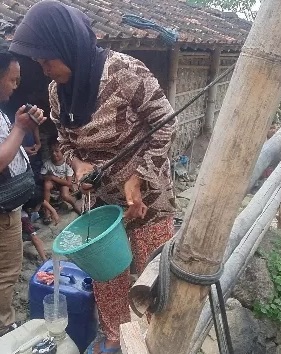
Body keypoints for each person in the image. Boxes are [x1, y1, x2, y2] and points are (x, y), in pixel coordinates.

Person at [10, 2, 177, 352]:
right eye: (39, 62)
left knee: (154, 281)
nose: (43, 69)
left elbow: (166, 127)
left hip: (146, 202)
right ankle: (116, 340)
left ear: (68, 45)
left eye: (47, 59)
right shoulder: (58, 93)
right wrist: (79, 167)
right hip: (100, 205)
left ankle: (155, 343)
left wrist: (139, 177)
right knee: (108, 279)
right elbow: (67, 144)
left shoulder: (125, 72)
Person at [0, 48, 46, 336]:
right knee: (7, 271)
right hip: (3, 209)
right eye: (12, 80)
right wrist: (20, 127)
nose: (15, 86)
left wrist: (18, 124)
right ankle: (5, 324)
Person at [41, 139, 81, 224]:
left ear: (63, 152)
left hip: (64, 183)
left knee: (65, 196)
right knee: (47, 185)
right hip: (54, 183)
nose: (54, 154)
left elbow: (69, 183)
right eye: (51, 151)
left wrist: (52, 177)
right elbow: (41, 176)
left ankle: (74, 204)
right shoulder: (47, 163)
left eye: (57, 151)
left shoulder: (67, 164)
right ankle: (47, 211)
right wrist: (47, 178)